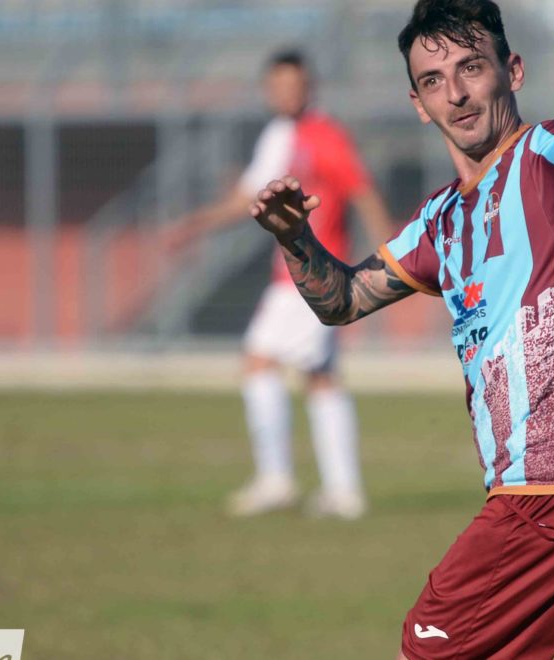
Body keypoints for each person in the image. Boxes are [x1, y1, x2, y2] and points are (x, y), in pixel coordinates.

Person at [246, 1, 554, 658]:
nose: (455, 92)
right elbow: (341, 300)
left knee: (430, 647)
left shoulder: (543, 152)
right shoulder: (439, 220)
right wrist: (294, 237)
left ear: (513, 71)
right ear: (418, 103)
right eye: (433, 80)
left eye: (471, 68)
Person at [164, 50, 395, 520]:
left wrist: (392, 259)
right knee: (320, 378)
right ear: (269, 90)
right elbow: (246, 200)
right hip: (289, 276)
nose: (287, 93)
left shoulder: (324, 135)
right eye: (279, 86)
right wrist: (198, 223)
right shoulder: (277, 136)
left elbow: (362, 191)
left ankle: (278, 480)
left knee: (259, 362)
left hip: (315, 275)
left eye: (295, 85)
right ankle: (343, 492)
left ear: (310, 87)